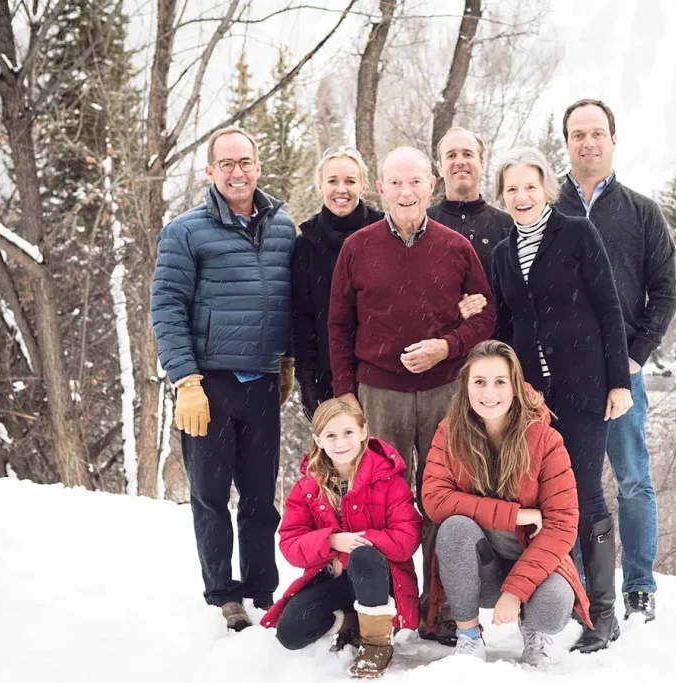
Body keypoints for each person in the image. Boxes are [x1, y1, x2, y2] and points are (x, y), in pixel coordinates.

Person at [328, 146, 496, 644]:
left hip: (445, 389)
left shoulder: (455, 247)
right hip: (379, 393)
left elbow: (486, 316)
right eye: (396, 183)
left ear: (433, 185)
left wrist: (448, 345)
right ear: (381, 187)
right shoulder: (357, 247)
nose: (406, 192)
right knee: (383, 506)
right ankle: (384, 609)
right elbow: (338, 325)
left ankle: (439, 611)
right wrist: (345, 394)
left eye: (416, 182)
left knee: (443, 501)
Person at [151, 126, 295, 631]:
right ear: (210, 171)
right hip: (207, 386)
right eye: (226, 164)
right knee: (211, 495)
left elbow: (288, 300)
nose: (238, 172)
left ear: (258, 166)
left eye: (246, 162)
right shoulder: (185, 232)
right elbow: (166, 307)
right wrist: (185, 379)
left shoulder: (283, 228)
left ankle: (261, 589)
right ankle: (224, 594)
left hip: (262, 383)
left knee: (260, 496)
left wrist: (288, 361)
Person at [490, 147, 633, 653]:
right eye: (511, 189)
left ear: (546, 189)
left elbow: (608, 308)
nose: (521, 196)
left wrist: (620, 382)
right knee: (545, 498)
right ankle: (560, 602)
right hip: (533, 397)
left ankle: (602, 614)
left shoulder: (576, 234)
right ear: (502, 197)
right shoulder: (503, 253)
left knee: (586, 492)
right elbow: (507, 325)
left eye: (530, 186)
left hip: (586, 385)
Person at [555, 99, 676, 624]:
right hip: (559, 377)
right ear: (566, 143)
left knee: (632, 479)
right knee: (569, 485)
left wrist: (633, 357)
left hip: (622, 374)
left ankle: (640, 588)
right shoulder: (545, 207)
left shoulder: (641, 212)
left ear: (613, 140)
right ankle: (579, 584)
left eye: (597, 133)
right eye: (578, 134)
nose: (588, 143)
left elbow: (666, 292)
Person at [421, 340, 592, 666]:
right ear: (466, 386)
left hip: (534, 562)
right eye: (480, 382)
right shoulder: (450, 432)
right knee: (454, 528)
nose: (490, 392)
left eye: (500, 381)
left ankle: (534, 632)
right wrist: (514, 515)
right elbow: (434, 499)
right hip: (481, 569)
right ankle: (469, 636)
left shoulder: (545, 440)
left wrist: (514, 592)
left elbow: (562, 524)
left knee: (553, 608)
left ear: (514, 385)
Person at [260, 399, 421, 678]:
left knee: (363, 556)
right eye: (331, 435)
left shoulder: (388, 480)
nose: (340, 442)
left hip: (380, 580)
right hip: (333, 578)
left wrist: (348, 547)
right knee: (291, 633)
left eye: (348, 432)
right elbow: (290, 543)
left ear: (363, 432)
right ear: (318, 440)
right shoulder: (308, 487)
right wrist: (332, 541)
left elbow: (407, 538)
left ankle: (376, 643)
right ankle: (351, 621)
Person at [292, 146, 384, 420]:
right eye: (332, 181)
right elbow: (302, 320)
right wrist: (307, 381)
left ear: (364, 186)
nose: (341, 189)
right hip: (327, 375)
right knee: (339, 460)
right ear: (320, 185)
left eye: (350, 181)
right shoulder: (305, 245)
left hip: (383, 377)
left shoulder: (384, 233)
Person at [428, 126, 513, 319]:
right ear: (440, 168)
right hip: (439, 344)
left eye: (468, 154)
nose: (460, 161)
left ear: (482, 163)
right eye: (451, 156)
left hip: (498, 343)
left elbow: (519, 295)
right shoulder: (423, 224)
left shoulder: (507, 226)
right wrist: (452, 310)